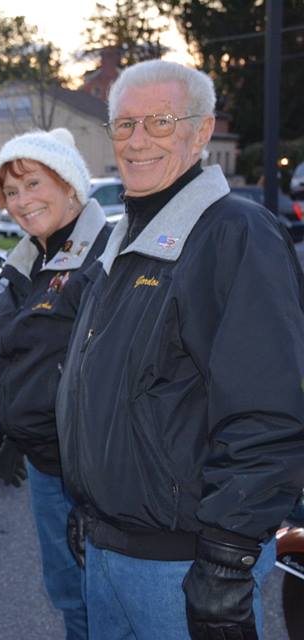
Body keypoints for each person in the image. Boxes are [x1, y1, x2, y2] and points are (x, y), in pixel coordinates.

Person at [56, 59, 304, 639]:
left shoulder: (234, 234)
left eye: (160, 122)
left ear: (202, 131)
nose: (137, 140)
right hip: (110, 548)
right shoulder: (125, 235)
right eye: (124, 124)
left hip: (182, 563)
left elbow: (267, 412)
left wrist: (228, 554)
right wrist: (91, 506)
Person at [0, 128, 111, 640]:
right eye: (11, 191)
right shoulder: (31, 258)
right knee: (69, 593)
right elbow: (29, 362)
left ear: (70, 184)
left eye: (33, 184)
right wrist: (15, 434)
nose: (21, 201)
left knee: (97, 601)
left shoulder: (103, 257)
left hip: (89, 470)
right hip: (43, 458)